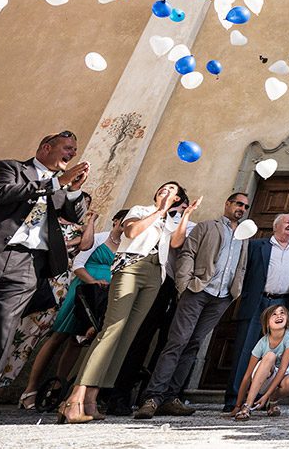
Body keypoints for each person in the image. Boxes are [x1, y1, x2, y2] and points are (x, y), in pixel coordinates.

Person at [59, 182, 195, 424]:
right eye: (163, 189)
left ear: (177, 200)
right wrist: (159, 211)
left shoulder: (172, 221)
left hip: (156, 275)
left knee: (127, 335)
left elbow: (176, 243)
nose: (166, 193)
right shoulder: (140, 210)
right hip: (130, 269)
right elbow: (131, 233)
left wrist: (185, 216)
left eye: (172, 192)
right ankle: (74, 398)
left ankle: (91, 399)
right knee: (112, 330)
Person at [0, 130, 90, 418]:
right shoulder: (9, 168)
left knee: (1, 332)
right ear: (47, 147)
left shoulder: (61, 185)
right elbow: (1, 194)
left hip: (28, 266)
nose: (72, 154)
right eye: (68, 148)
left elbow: (76, 215)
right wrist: (57, 181)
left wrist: (73, 189)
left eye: (74, 150)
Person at [134, 192, 250, 419]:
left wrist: (234, 292)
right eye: (238, 204)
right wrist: (184, 285)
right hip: (197, 291)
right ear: (227, 204)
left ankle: (171, 397)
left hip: (221, 297)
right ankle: (152, 398)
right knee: (177, 342)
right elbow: (188, 252)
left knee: (194, 344)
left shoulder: (244, 236)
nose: (242, 209)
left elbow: (242, 266)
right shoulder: (207, 226)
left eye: (246, 206)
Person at [16, 209, 128, 410]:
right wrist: (93, 281)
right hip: (83, 290)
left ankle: (57, 389)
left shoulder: (126, 246)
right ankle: (29, 390)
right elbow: (78, 264)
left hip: (101, 297)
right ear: (116, 221)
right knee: (57, 337)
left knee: (77, 341)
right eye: (124, 221)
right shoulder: (99, 238)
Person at [222, 213, 289, 412]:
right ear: (276, 226)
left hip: (281, 303)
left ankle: (264, 399)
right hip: (258, 301)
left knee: (276, 354)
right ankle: (234, 400)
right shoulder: (257, 246)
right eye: (287, 222)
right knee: (246, 350)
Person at [232, 304, 289, 420]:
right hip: (264, 377)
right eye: (274, 314)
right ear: (267, 323)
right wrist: (238, 405)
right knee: (269, 356)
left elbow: (283, 369)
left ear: (287, 318)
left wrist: (267, 396)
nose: (279, 316)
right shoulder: (262, 343)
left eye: (282, 313)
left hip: (285, 374)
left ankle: (272, 400)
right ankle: (247, 407)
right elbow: (247, 376)